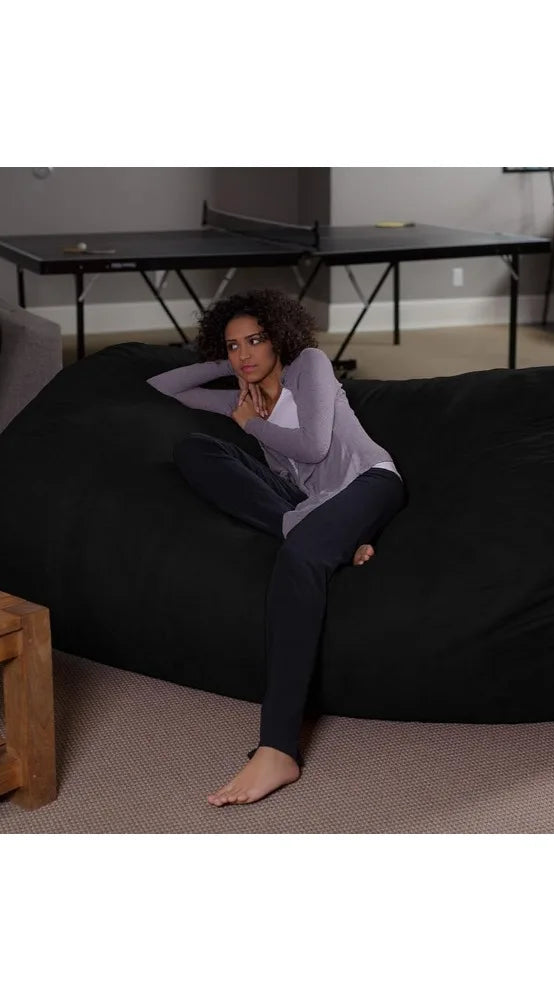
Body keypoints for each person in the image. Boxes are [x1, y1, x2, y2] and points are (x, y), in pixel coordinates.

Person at [147, 288, 405, 806]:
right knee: (194, 448)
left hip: (366, 484)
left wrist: (249, 422)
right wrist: (229, 363)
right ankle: (320, 534)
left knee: (298, 558)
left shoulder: (308, 366)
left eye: (256, 341)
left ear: (280, 339)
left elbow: (313, 446)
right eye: (233, 345)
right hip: (308, 506)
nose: (245, 354)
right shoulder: (239, 394)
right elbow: (164, 386)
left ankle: (278, 747)